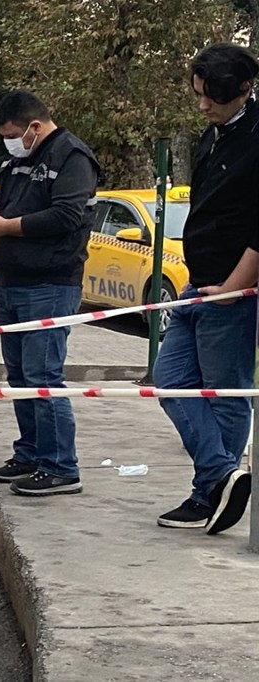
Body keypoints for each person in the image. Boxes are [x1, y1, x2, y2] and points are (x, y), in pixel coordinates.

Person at [0, 90, 100, 496]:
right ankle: (29, 454)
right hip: (12, 280)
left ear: (35, 127)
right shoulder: (15, 162)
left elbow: (66, 215)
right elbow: (17, 209)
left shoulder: (72, 157)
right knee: (21, 377)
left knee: (43, 377)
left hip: (50, 282)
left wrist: (5, 227)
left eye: (13, 135)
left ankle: (60, 466)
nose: (9, 143)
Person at [152, 43, 259, 534]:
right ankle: (221, 476)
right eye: (197, 94)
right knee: (170, 380)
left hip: (233, 290)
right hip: (197, 281)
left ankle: (206, 497)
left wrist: (235, 287)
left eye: (212, 96)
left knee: (225, 394)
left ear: (244, 89)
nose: (203, 105)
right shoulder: (212, 135)